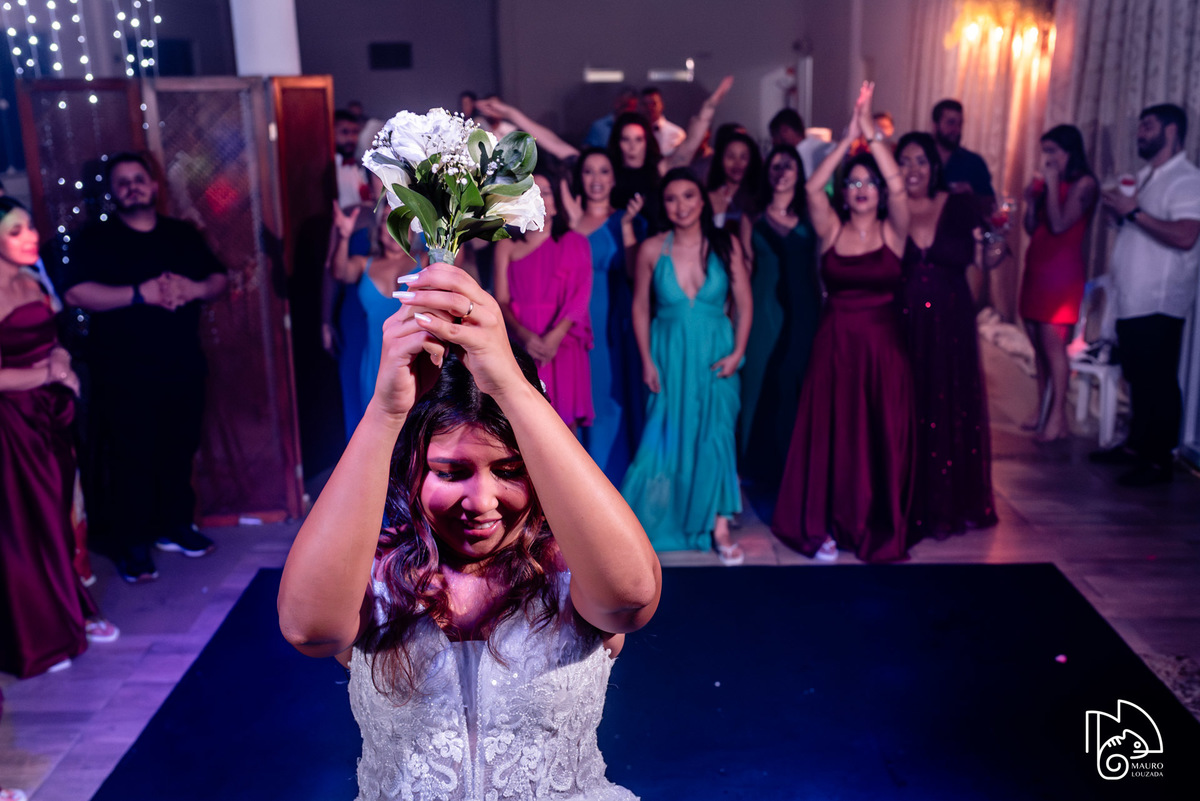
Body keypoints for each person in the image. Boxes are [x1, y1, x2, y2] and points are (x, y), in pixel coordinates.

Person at [277, 258, 661, 800]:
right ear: (413, 466)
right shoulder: (373, 573)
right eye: (450, 472)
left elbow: (631, 599)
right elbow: (307, 629)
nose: (481, 502)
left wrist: (510, 383)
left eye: (508, 470)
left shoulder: (572, 565)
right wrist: (386, 413)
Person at [63, 152, 228, 582]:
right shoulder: (95, 239)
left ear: (153, 186)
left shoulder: (181, 235)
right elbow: (76, 294)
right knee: (131, 459)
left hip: (182, 367)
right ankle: (132, 543)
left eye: (139, 178)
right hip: (123, 373)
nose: (132, 186)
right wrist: (142, 293)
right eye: (123, 181)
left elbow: (218, 280)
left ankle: (175, 526)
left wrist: (191, 287)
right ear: (113, 191)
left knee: (179, 450)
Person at [772, 82, 913, 563]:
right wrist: (844, 141)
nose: (861, 191)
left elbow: (898, 185)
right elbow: (813, 187)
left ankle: (873, 523)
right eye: (852, 185)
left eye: (866, 184)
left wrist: (870, 132)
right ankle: (827, 523)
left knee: (877, 436)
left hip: (882, 349)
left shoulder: (894, 232)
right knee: (833, 436)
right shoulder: (831, 229)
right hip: (835, 345)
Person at [0, 197, 117, 678]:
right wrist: (43, 373)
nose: (31, 237)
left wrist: (61, 364)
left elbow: (55, 342)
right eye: (15, 230)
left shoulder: (31, 282)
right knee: (23, 527)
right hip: (9, 425)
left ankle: (72, 610)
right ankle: (38, 636)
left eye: (30, 227)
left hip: (47, 418)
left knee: (57, 517)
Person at [621, 169, 752, 565]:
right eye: (673, 198)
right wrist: (646, 359)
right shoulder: (650, 249)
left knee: (716, 436)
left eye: (689, 196)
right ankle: (645, 523)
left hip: (717, 354)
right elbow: (640, 308)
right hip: (669, 354)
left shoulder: (726, 244)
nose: (682, 205)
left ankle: (719, 525)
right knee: (662, 442)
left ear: (702, 200)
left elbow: (745, 304)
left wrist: (738, 352)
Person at [897, 131, 998, 536]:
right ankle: (908, 500)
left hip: (951, 324)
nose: (913, 169)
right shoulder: (888, 208)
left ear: (934, 167)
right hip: (902, 323)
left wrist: (997, 242)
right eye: (904, 161)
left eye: (921, 161)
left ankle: (948, 504)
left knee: (948, 408)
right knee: (909, 406)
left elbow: (983, 262)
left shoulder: (958, 205)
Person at [1093, 103, 1200, 486]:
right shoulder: (1144, 176)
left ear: (1171, 132)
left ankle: (1159, 460)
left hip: (1160, 298)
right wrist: (1119, 213)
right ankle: (1137, 446)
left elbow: (1187, 236)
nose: (1140, 133)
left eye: (1148, 126)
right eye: (1139, 126)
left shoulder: (1186, 179)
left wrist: (1134, 213)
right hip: (1133, 296)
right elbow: (1139, 226)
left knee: (1158, 379)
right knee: (1137, 376)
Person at [477, 76, 734, 230]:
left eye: (638, 139)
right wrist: (511, 114)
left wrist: (709, 107)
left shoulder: (659, 168)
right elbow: (553, 142)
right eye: (625, 139)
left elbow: (689, 146)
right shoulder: (606, 170)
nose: (632, 145)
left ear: (647, 141)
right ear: (617, 142)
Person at [562, 148, 648, 484]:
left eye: (603, 172)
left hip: (612, 327)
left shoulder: (629, 220)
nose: (596, 180)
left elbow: (634, 273)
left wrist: (626, 228)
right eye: (589, 172)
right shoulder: (564, 224)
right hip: (572, 329)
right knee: (577, 408)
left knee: (611, 405)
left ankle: (616, 490)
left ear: (614, 178)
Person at [740, 145, 820, 489]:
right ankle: (759, 473)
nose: (782, 172)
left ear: (799, 172)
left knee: (799, 387)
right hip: (764, 312)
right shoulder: (752, 219)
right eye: (775, 166)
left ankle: (797, 471)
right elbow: (744, 269)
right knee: (759, 385)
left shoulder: (811, 216)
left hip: (805, 311)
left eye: (789, 166)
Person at [494, 173, 595, 433]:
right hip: (522, 341)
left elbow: (581, 296)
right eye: (531, 190)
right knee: (524, 426)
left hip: (563, 342)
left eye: (546, 191)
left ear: (557, 200)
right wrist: (524, 335)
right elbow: (501, 300)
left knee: (565, 426)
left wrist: (555, 337)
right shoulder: (506, 244)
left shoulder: (575, 241)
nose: (539, 196)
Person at [1020, 125, 1099, 443]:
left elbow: (1059, 224)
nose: (1048, 158)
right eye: (1045, 151)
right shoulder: (1048, 185)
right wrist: (1030, 200)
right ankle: (1042, 407)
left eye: (1053, 151)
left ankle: (1058, 418)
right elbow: (1032, 226)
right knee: (1037, 345)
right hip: (1037, 267)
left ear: (1070, 151)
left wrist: (1051, 185)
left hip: (1061, 274)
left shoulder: (1085, 183)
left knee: (1054, 347)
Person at [330, 202, 425, 432]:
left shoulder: (427, 260)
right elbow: (340, 272)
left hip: (418, 365)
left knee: (418, 439)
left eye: (400, 219)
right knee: (378, 442)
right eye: (385, 220)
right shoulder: (365, 264)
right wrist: (344, 237)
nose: (393, 226)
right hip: (375, 365)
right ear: (377, 229)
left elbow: (458, 257)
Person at [706, 129, 762, 255]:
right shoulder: (708, 198)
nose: (737, 164)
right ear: (720, 160)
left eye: (743, 157)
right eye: (731, 157)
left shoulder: (760, 198)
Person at [932, 99, 995, 199]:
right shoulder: (922, 159)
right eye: (951, 123)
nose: (956, 129)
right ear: (935, 126)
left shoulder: (974, 163)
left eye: (960, 124)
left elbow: (990, 206)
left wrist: (971, 194)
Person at [334, 110, 367, 209]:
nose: (351, 138)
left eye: (355, 132)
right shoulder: (328, 169)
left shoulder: (357, 166)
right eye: (344, 132)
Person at [641, 87, 686, 157]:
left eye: (653, 104)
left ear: (661, 105)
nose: (649, 108)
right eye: (645, 104)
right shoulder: (634, 133)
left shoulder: (676, 133)